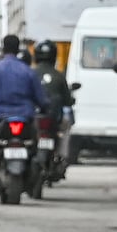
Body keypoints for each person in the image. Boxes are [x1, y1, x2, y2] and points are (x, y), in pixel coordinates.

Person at [0, 34, 49, 179]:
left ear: (2, 48)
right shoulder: (28, 71)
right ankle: (38, 165)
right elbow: (41, 98)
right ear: (18, 48)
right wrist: (44, 108)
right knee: (38, 138)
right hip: (26, 118)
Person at [33, 38, 75, 175]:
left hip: (34, 118)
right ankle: (62, 156)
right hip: (54, 119)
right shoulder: (59, 76)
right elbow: (68, 100)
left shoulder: (30, 74)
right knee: (66, 126)